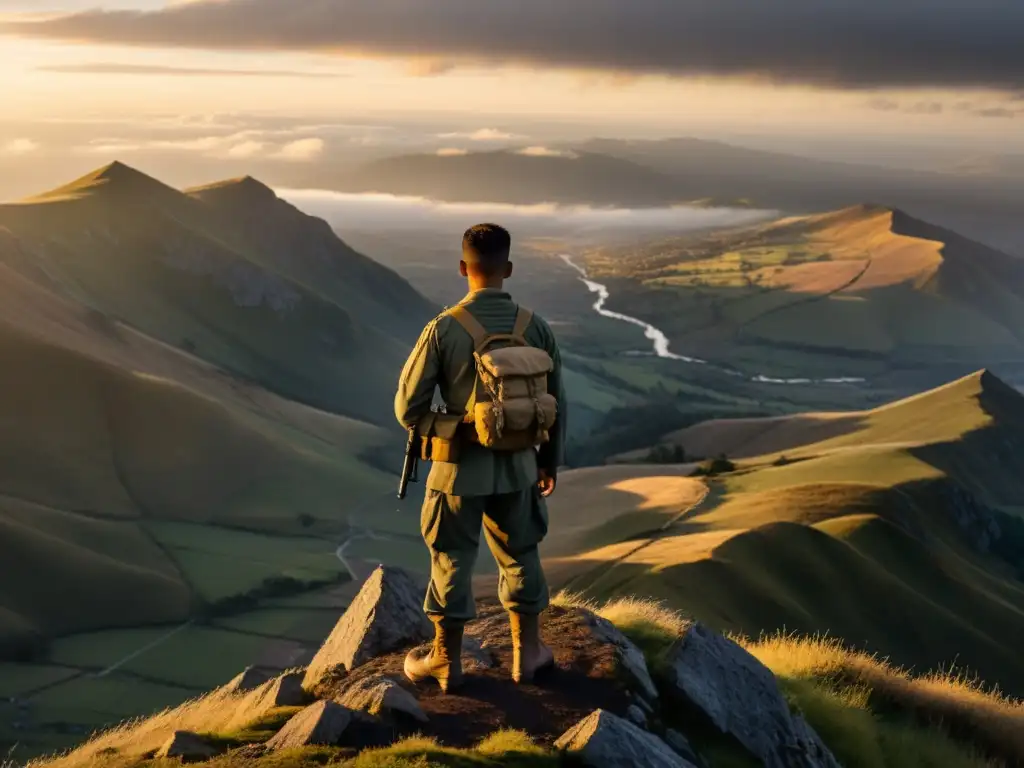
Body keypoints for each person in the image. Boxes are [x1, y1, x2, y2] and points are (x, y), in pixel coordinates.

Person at [394, 223, 567, 693]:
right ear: (508, 269)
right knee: (521, 554)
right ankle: (528, 656)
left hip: (455, 471)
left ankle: (446, 662)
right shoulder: (536, 327)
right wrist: (548, 461)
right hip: (520, 467)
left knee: (451, 557)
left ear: (462, 267)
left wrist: (455, 427)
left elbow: (407, 409)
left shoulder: (444, 328)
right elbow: (558, 402)